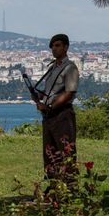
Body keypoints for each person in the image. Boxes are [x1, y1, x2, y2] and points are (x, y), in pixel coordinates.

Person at [33, 34, 79, 190]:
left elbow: (69, 93)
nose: (54, 48)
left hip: (62, 114)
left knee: (66, 151)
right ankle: (54, 186)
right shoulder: (52, 68)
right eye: (52, 46)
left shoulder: (70, 67)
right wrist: (40, 96)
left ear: (66, 47)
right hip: (49, 116)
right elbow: (51, 91)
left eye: (58, 45)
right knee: (50, 152)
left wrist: (50, 106)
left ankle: (70, 187)